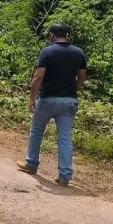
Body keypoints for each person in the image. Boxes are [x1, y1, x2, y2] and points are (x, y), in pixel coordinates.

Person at [17, 25, 87, 186]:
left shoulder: (47, 51)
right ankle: (64, 176)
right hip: (69, 101)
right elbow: (82, 77)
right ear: (66, 35)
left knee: (36, 131)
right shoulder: (78, 52)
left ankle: (31, 164)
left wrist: (32, 98)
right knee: (64, 138)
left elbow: (38, 76)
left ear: (51, 35)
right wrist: (74, 89)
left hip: (48, 99)